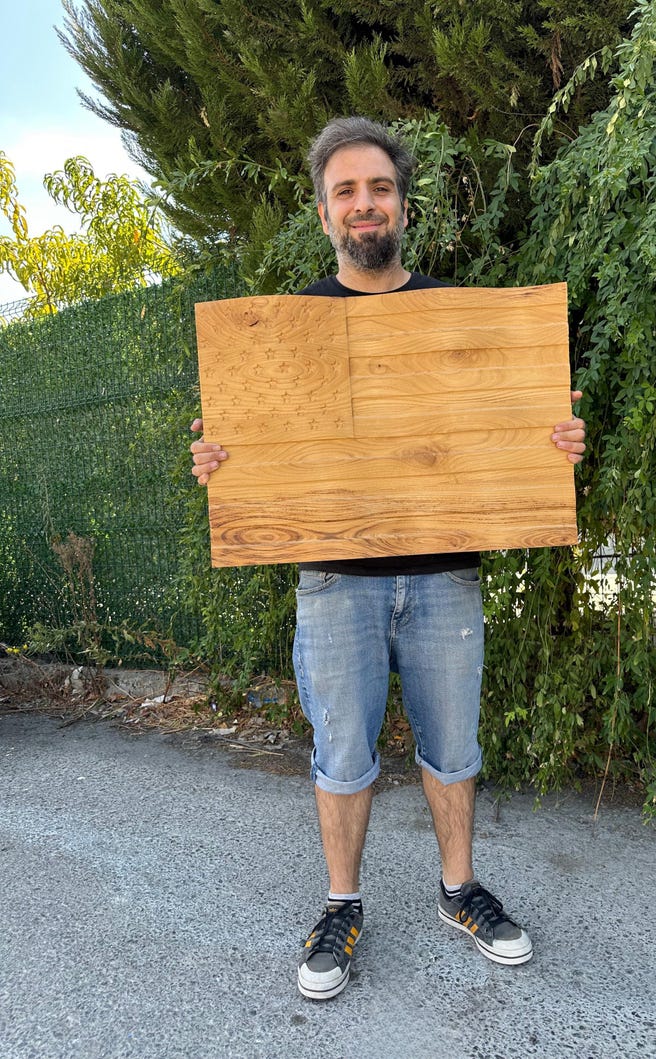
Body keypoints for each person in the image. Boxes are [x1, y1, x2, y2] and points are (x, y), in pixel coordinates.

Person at [191, 116, 586, 1001]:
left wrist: (553, 441)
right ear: (324, 212)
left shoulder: (462, 321)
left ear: (403, 204)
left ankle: (459, 889)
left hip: (446, 576)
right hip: (335, 584)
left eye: (378, 188)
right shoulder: (281, 333)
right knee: (341, 753)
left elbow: (517, 435)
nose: (363, 204)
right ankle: (342, 904)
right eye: (346, 191)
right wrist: (224, 461)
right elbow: (253, 453)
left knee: (454, 747)